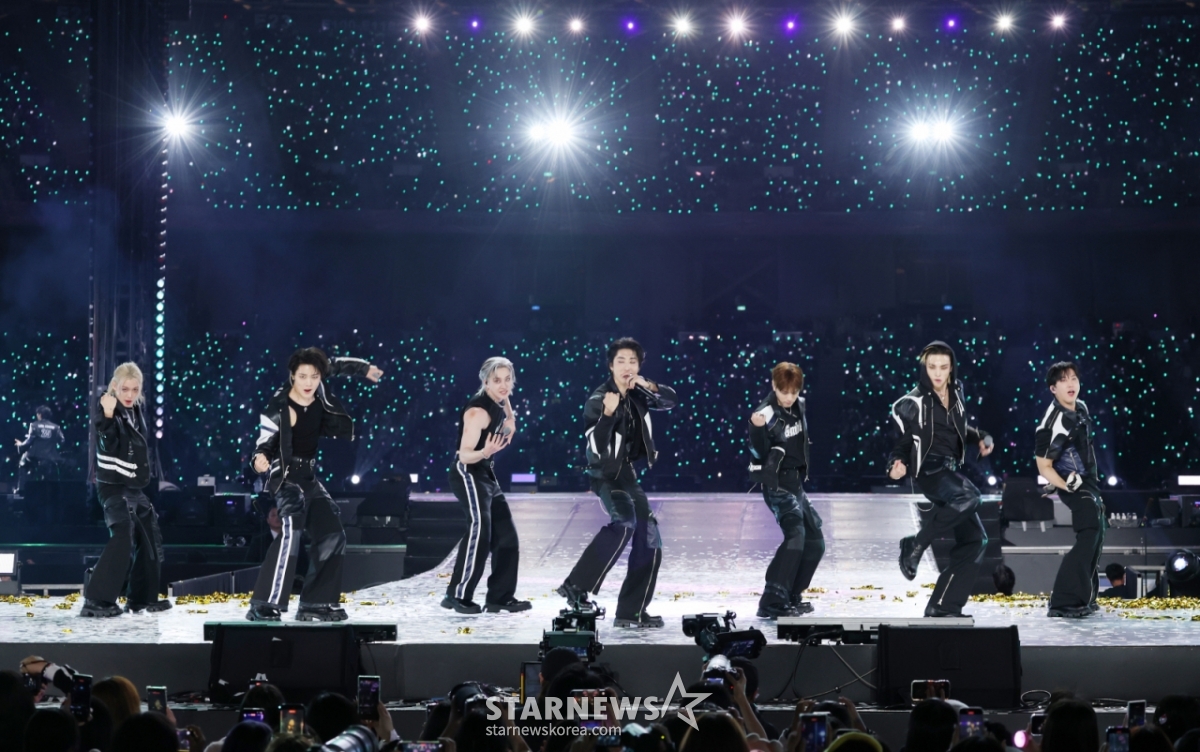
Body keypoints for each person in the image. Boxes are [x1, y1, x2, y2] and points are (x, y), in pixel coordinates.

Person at [246, 347, 383, 622]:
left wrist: (364, 368)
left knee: (332, 534)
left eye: (314, 376)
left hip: (308, 477)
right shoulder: (279, 406)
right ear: (292, 376)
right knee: (291, 533)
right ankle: (263, 604)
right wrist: (259, 459)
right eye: (302, 377)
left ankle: (316, 603)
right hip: (285, 476)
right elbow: (265, 443)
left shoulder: (318, 386)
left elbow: (336, 365)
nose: (308, 382)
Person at [558, 337, 678, 628]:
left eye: (632, 361)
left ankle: (631, 611)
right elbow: (596, 446)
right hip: (604, 475)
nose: (627, 366)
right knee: (625, 522)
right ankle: (575, 585)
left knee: (650, 536)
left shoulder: (638, 393)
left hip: (627, 474)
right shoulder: (599, 400)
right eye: (621, 361)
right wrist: (608, 414)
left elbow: (670, 400)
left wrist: (649, 385)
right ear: (611, 366)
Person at [889, 341, 994, 618]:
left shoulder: (956, 392)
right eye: (932, 367)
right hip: (930, 472)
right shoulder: (912, 403)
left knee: (976, 540)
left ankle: (943, 605)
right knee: (970, 496)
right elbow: (903, 443)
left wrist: (980, 437)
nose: (937, 373)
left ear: (951, 369)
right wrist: (895, 464)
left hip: (950, 471)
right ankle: (916, 543)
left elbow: (956, 429)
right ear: (924, 367)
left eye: (943, 367)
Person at [81, 362, 171, 618]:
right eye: (124, 389)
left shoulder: (136, 410)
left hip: (132, 487)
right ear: (114, 387)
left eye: (134, 389)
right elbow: (105, 440)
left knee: (150, 533)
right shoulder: (107, 410)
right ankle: (97, 599)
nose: (129, 394)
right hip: (113, 486)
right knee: (123, 534)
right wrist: (108, 415)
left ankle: (141, 598)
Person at [442, 357, 530, 615]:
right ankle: (457, 595)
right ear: (485, 382)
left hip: (486, 473)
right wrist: (485, 452)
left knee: (507, 536)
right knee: (480, 531)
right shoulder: (478, 412)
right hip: (468, 472)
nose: (503, 385)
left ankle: (500, 597)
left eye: (507, 380)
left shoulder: (499, 398)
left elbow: (506, 404)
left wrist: (510, 418)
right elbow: (464, 455)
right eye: (497, 380)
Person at [747, 362, 824, 619]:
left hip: (796, 484)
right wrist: (756, 429)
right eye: (784, 392)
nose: (789, 397)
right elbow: (758, 451)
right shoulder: (765, 413)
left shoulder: (799, 405)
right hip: (777, 485)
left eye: (794, 392)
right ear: (774, 386)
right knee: (795, 536)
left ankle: (791, 594)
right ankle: (771, 600)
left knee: (815, 542)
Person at [1035, 361, 1106, 618]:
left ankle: (1086, 596)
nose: (1071, 384)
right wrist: (1065, 484)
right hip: (1071, 482)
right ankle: (1064, 601)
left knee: (1098, 532)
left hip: (1089, 481)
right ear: (1053, 388)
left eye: (1074, 378)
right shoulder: (1051, 423)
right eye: (1063, 380)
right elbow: (1044, 466)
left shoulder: (1081, 407)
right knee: (1089, 530)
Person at [14, 406, 63, 496]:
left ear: (40, 415)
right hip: (51, 457)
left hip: (35, 457)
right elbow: (62, 440)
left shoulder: (34, 425)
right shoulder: (56, 427)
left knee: (22, 462)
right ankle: (55, 493)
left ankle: (21, 489)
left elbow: (28, 442)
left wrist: (20, 445)